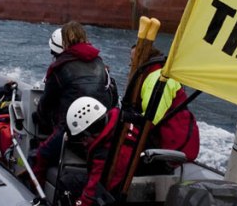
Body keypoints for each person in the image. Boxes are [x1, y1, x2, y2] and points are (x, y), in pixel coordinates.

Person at [33, 22, 119, 178]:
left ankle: (34, 190)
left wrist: (40, 119)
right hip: (100, 130)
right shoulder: (100, 63)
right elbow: (112, 98)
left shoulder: (59, 67)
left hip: (71, 130)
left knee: (42, 154)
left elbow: (46, 106)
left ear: (64, 41)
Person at [130, 46, 199, 173]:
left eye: (133, 60)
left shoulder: (157, 78)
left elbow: (152, 119)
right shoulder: (159, 72)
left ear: (143, 60)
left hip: (171, 145)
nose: (130, 64)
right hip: (177, 140)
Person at [55, 96, 135, 206]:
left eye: (83, 138)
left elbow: (90, 196)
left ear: (92, 131)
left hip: (114, 191)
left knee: (67, 182)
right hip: (130, 180)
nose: (83, 143)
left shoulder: (105, 155)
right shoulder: (124, 120)